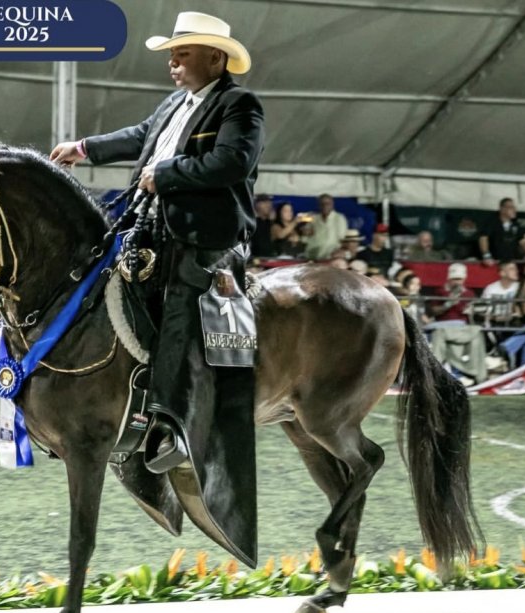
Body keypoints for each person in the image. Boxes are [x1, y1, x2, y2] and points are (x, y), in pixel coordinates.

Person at [50, 11, 262, 560]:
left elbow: (232, 162)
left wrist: (166, 174)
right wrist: (84, 147)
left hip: (209, 239)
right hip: (155, 229)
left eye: (182, 53)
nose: (172, 62)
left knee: (181, 302)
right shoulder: (173, 104)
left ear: (215, 58)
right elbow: (142, 138)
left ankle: (166, 424)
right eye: (172, 53)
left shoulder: (238, 105)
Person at [305, 194, 348, 261]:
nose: (325, 206)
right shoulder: (314, 218)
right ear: (319, 205)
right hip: (313, 256)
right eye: (322, 204)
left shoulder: (339, 218)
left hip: (331, 257)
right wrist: (307, 232)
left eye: (327, 203)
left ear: (332, 205)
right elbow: (306, 233)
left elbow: (342, 238)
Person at [478, 198, 521, 264]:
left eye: (514, 207)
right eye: (511, 207)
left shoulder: (515, 224)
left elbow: (522, 240)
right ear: (502, 209)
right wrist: (486, 256)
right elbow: (483, 238)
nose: (514, 210)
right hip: (494, 262)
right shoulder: (492, 222)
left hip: (511, 262)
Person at [481, 261, 520, 328]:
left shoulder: (519, 287)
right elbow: (484, 311)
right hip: (494, 324)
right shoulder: (491, 288)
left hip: (514, 324)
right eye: (512, 269)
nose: (516, 271)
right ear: (502, 273)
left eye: (516, 269)